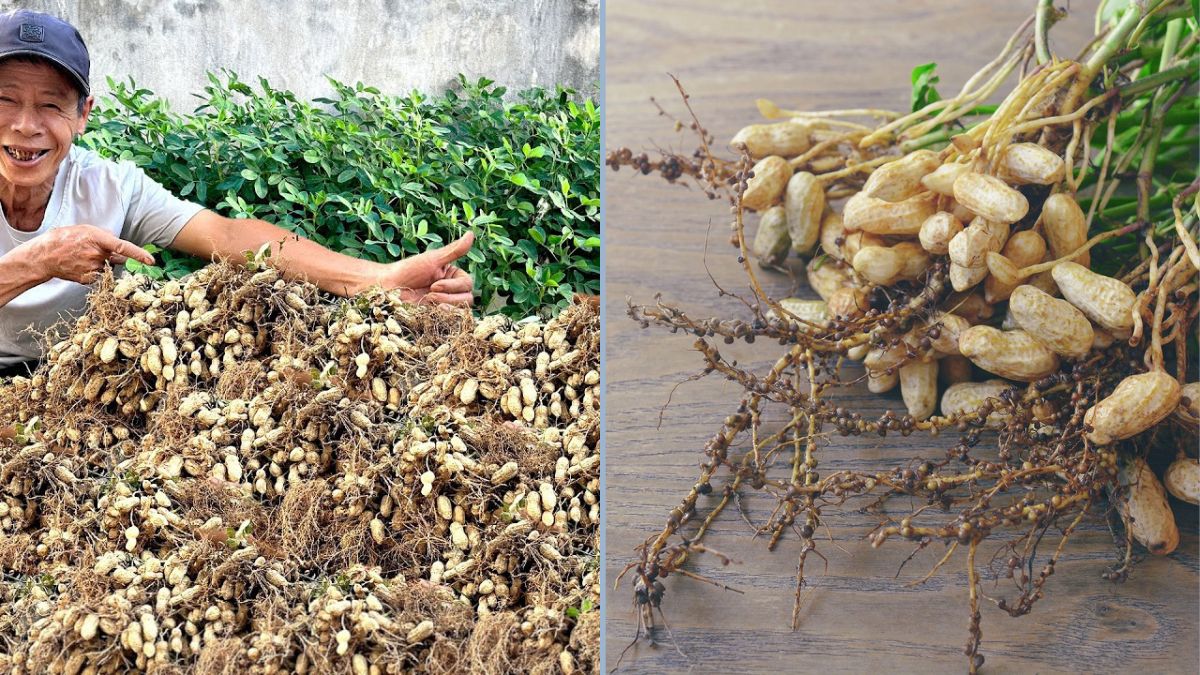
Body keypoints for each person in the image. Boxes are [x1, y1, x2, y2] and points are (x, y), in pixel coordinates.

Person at [0, 9, 475, 377]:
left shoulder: (109, 186)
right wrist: (40, 260)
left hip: (79, 382)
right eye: (5, 100)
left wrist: (379, 280)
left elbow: (229, 238)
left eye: (50, 105)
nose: (25, 126)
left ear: (83, 114)